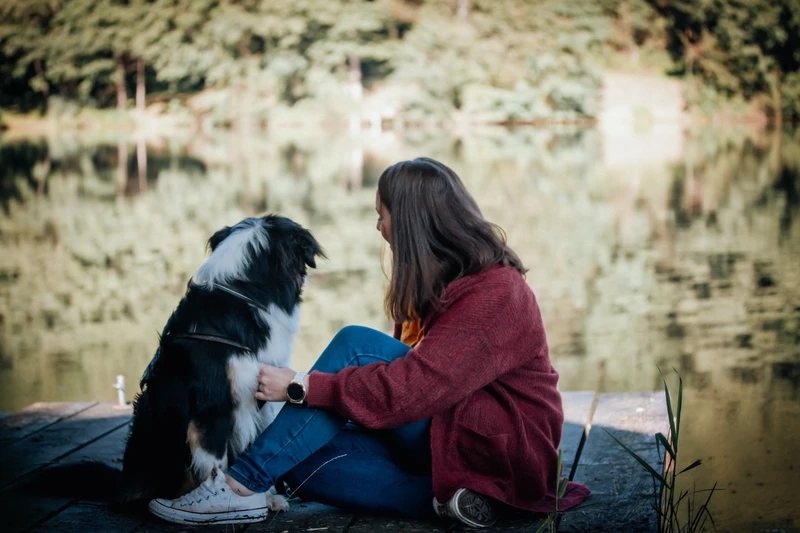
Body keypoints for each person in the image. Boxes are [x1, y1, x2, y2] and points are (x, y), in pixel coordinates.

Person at [147, 157, 590, 528]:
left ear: (415, 222)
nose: (378, 226)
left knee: (354, 345)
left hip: (503, 448)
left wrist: (303, 386)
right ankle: (453, 501)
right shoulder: (437, 286)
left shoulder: (497, 293)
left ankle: (239, 486)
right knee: (295, 453)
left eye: (383, 213)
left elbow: (412, 391)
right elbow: (407, 399)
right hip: (448, 437)